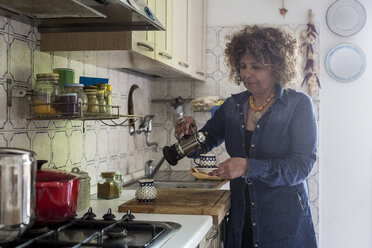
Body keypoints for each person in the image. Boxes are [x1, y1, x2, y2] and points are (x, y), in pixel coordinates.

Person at [174, 25, 318, 248]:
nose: (247, 73)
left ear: (277, 67)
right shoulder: (232, 106)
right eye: (242, 66)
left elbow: (301, 167)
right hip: (242, 222)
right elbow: (203, 143)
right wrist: (190, 134)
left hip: (284, 224)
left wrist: (248, 167)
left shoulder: (298, 105)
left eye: (256, 66)